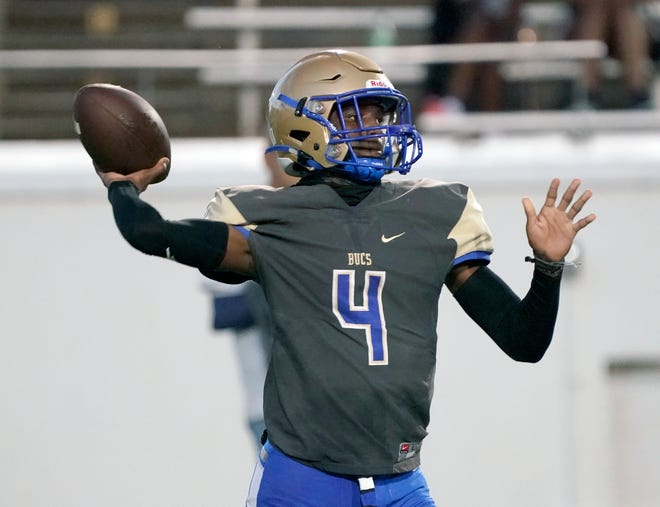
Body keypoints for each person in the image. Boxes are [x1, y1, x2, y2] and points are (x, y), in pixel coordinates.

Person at [94, 49, 596, 507]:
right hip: (301, 479)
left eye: (382, 113)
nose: (379, 127)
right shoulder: (269, 221)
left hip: (401, 482)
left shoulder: (432, 212)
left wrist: (548, 267)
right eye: (361, 113)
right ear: (305, 122)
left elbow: (524, 341)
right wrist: (123, 186)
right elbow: (148, 233)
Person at [202, 151, 298, 450]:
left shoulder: (328, 222)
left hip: (332, 407)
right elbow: (230, 310)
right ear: (268, 157)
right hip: (271, 407)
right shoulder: (241, 217)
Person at [422, 0, 524, 114]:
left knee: (483, 40)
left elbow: (512, 14)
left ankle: (454, 101)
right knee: (486, 54)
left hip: (504, 34)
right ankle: (487, 120)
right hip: (478, 36)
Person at [570, 0, 653, 109]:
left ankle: (638, 92)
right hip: (584, 23)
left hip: (626, 26)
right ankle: (590, 92)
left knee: (624, 12)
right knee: (597, 10)